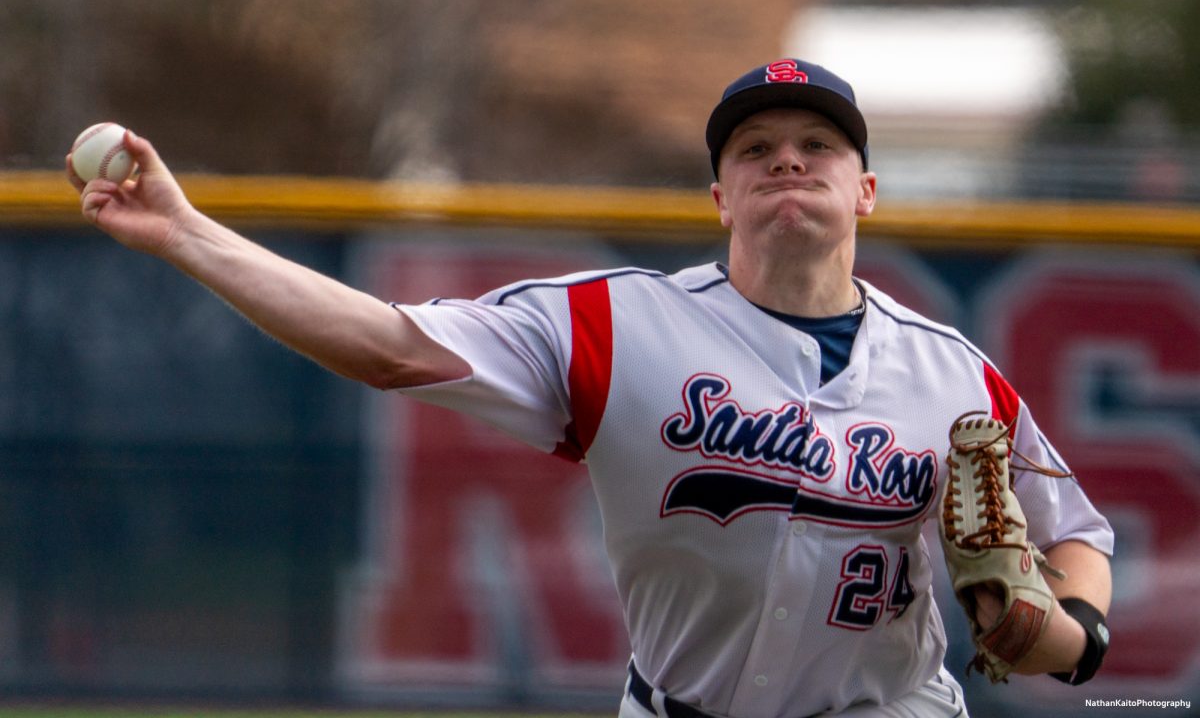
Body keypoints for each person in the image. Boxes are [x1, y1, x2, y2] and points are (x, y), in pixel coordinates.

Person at [67, 59, 1114, 717]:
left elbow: (1081, 538)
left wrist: (1061, 631)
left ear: (867, 190)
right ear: (720, 193)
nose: (786, 163)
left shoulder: (952, 373)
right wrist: (188, 234)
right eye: (755, 150)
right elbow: (386, 345)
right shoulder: (617, 323)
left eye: (817, 147)